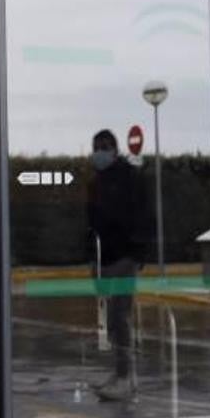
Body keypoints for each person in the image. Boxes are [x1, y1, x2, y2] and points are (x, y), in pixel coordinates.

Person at [87, 129, 150, 402]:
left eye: (103, 147)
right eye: (96, 147)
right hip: (106, 258)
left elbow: (141, 216)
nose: (99, 152)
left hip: (124, 257)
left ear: (113, 150)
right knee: (112, 321)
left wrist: (138, 251)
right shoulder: (98, 182)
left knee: (120, 318)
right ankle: (122, 374)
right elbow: (93, 223)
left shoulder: (127, 179)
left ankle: (126, 377)